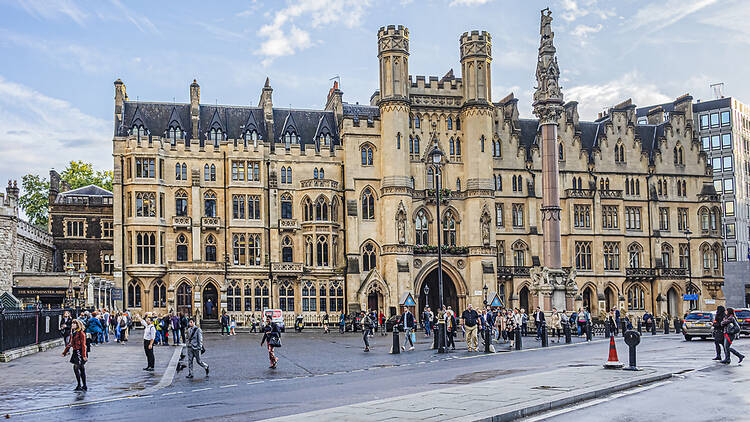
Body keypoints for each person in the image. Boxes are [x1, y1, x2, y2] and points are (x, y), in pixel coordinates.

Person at [62, 319, 88, 391]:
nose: (72, 325)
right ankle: (82, 385)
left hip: (80, 352)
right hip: (75, 352)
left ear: (77, 325)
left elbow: (83, 345)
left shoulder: (81, 333)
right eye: (72, 324)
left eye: (74, 324)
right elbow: (70, 343)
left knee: (77, 368)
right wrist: (65, 352)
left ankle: (81, 385)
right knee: (81, 368)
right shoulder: (73, 333)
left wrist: (84, 355)